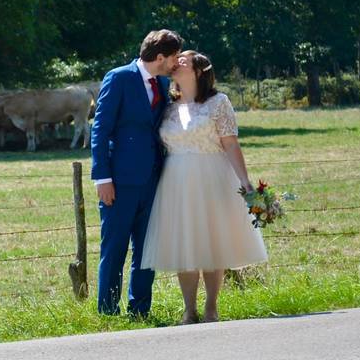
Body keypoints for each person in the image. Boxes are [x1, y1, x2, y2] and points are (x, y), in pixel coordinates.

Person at [141, 50, 267, 324]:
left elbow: (230, 143)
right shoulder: (168, 105)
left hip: (212, 176)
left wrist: (245, 182)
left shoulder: (218, 102)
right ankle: (189, 309)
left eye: (183, 61)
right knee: (183, 244)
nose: (176, 64)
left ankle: (211, 306)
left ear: (199, 71)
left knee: (212, 241)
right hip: (175, 180)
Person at [90, 29, 183, 317]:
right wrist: (102, 178)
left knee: (147, 251)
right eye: (175, 57)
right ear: (160, 57)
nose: (176, 63)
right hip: (119, 181)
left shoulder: (164, 81)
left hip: (153, 179)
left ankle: (139, 310)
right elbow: (100, 129)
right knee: (115, 249)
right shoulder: (119, 78)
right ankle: (108, 311)